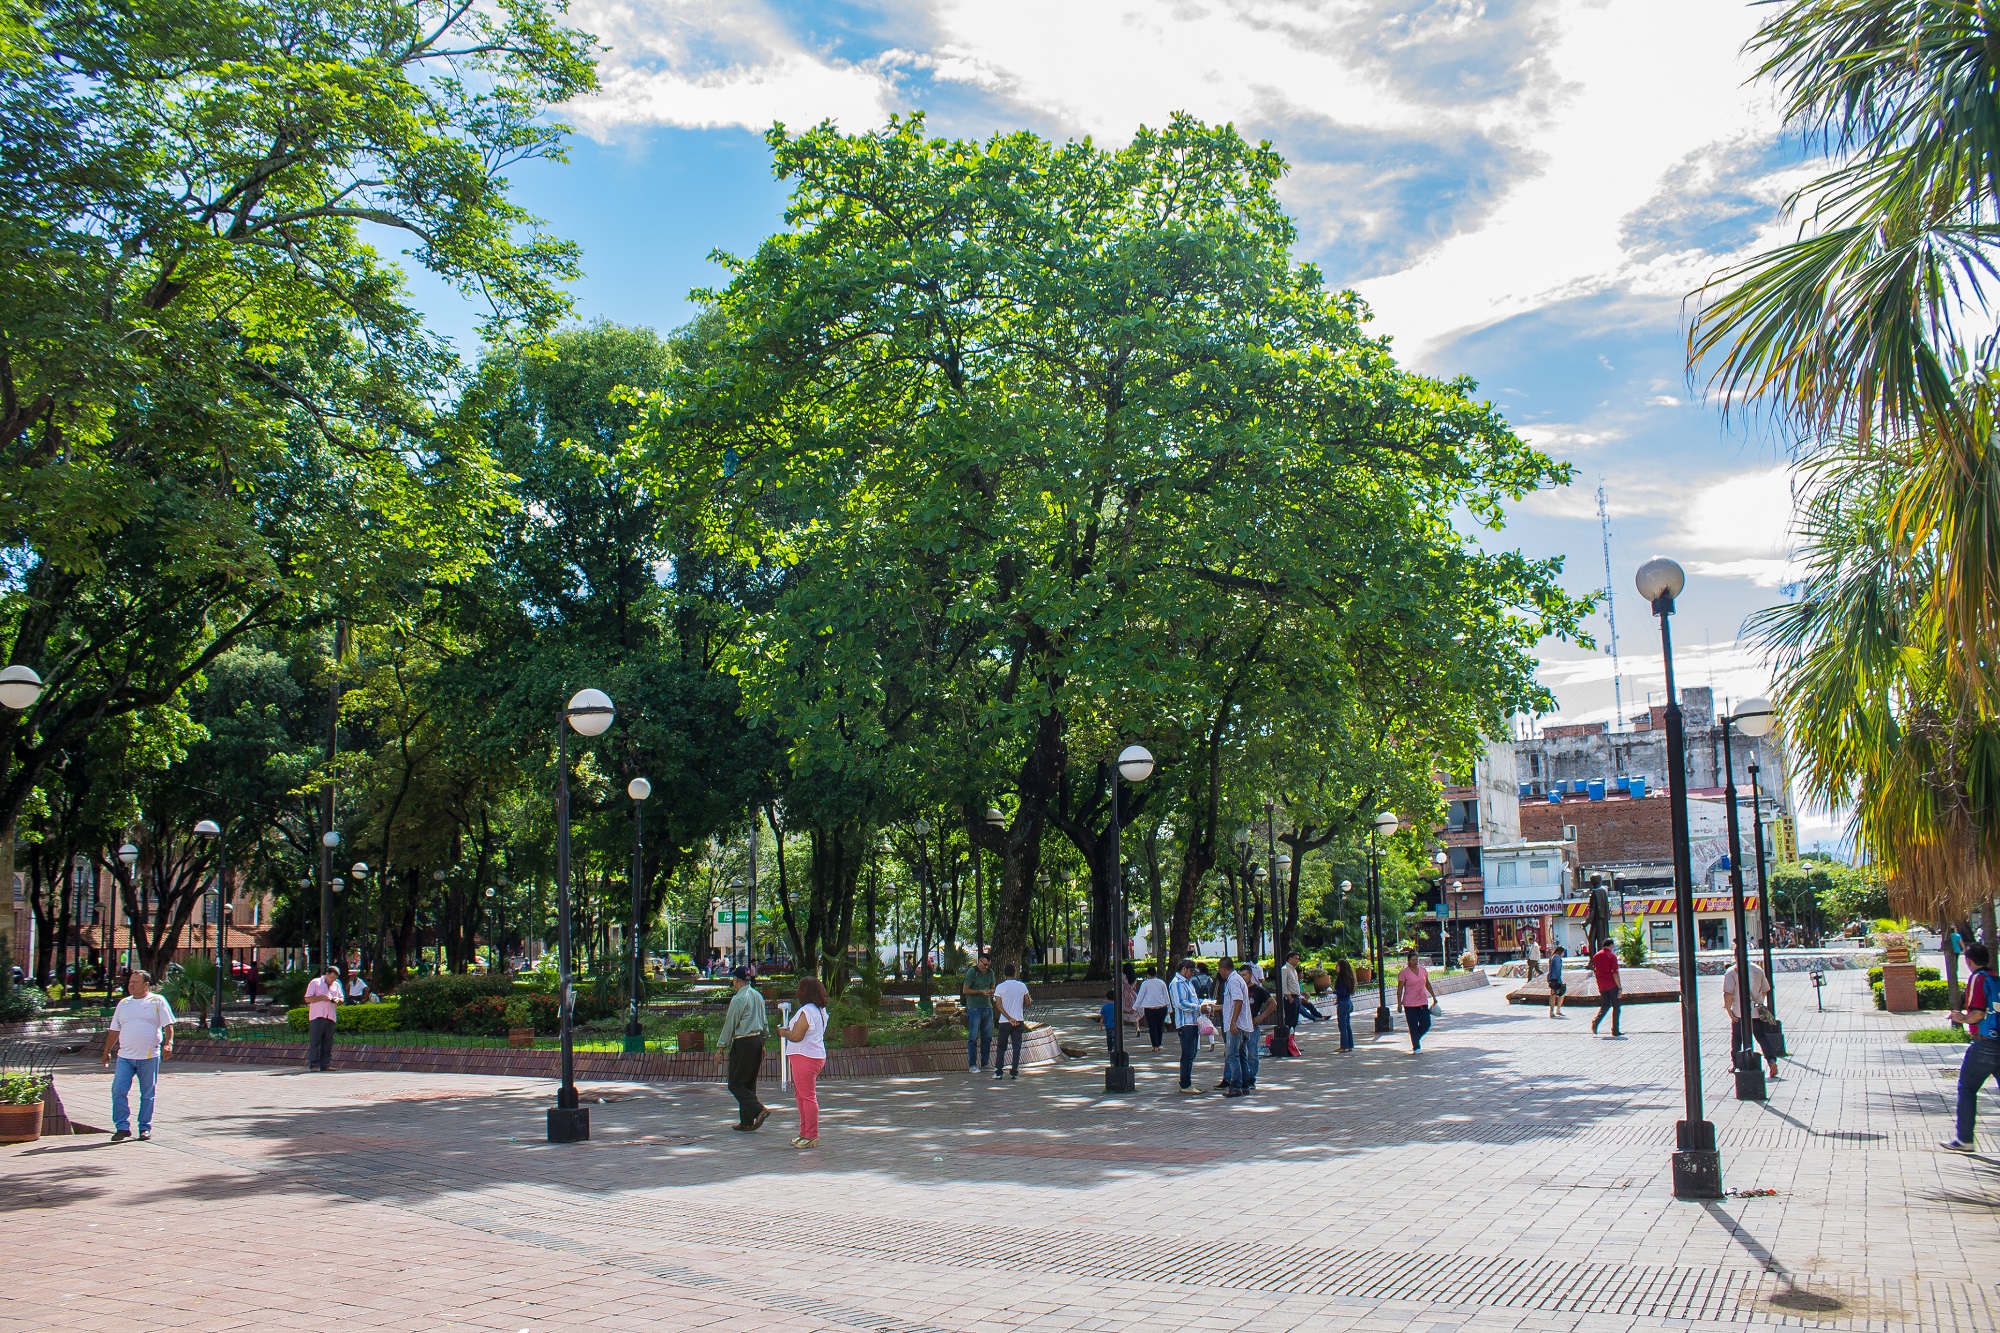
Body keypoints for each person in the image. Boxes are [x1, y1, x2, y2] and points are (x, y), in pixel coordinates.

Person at [102, 970, 175, 1142]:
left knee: (147, 1093)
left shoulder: (157, 1001)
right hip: (125, 1057)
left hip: (149, 1057)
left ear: (146, 985)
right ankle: (122, 1127)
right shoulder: (124, 1004)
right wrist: (106, 1052)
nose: (131, 984)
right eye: (130, 982)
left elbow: (168, 1025)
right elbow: (114, 1030)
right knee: (118, 1090)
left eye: (136, 982)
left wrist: (169, 1043)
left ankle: (144, 1128)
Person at [1943, 941, 1999, 1151]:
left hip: (1984, 1044)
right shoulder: (1996, 978)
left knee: (1967, 1089)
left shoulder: (1977, 979)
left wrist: (1961, 1018)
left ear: (1969, 961)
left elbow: (1977, 1013)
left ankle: (1964, 1139)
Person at [715, 966, 770, 1131]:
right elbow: (764, 1022)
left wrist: (720, 1048)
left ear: (737, 980)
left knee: (736, 1084)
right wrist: (764, 1042)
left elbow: (730, 1024)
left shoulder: (738, 999)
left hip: (744, 1042)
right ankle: (746, 1121)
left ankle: (759, 1109)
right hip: (757, 1040)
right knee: (749, 1082)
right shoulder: (757, 996)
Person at [781, 977, 829, 1148]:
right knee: (801, 1095)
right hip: (814, 1055)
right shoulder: (820, 1011)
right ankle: (804, 1132)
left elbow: (796, 1036)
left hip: (804, 1056)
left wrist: (784, 1033)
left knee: (807, 1097)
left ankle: (811, 1135)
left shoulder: (806, 1011)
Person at [1722, 957, 1782, 1079]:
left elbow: (1728, 993)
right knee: (1761, 1037)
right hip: (1756, 1012)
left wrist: (1729, 1010)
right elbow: (1766, 989)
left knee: (1737, 1039)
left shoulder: (1732, 971)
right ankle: (1771, 1060)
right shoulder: (1758, 969)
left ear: (1734, 956)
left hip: (1739, 1012)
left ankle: (1736, 1064)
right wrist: (1758, 1002)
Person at [1218, 956, 1254, 1097]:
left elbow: (1238, 1001)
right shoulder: (1237, 979)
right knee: (1242, 1055)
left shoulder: (1233, 981)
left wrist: (1233, 1022)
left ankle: (1236, 1085)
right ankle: (1245, 1085)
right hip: (1243, 1024)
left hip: (1236, 1025)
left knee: (1232, 1055)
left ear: (1223, 969)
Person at [1169, 958, 1204, 1094]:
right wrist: (1199, 1007)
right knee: (1187, 1054)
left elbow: (1194, 999)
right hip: (1185, 1023)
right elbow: (1180, 1003)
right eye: (1191, 971)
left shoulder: (1188, 983)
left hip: (1193, 1022)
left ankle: (1187, 1082)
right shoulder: (1177, 983)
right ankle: (1185, 1084)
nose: (1192, 974)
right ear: (1184, 969)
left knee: (1192, 1053)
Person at [992, 963, 1031, 1078]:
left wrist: (1009, 1018)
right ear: (1015, 973)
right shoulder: (1022, 986)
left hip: (1004, 1021)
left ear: (1004, 973)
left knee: (1001, 1048)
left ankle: (998, 1072)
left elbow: (998, 1005)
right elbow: (1028, 1002)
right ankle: (1014, 1071)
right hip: (1019, 1020)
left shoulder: (1000, 987)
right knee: (1016, 1047)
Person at [303, 964, 343, 1071]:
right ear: (326, 974)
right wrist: (321, 998)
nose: (332, 980)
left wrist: (338, 1000)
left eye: (335, 978)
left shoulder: (336, 985)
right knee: (315, 1041)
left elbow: (341, 998)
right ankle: (314, 1065)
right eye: (331, 977)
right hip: (317, 1015)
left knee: (328, 1041)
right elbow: (307, 999)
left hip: (330, 1016)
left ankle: (326, 1064)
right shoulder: (315, 983)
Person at [961, 951, 997, 1071]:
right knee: (973, 1037)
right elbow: (965, 990)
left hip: (987, 1007)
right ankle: (972, 1064)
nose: (986, 967)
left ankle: (985, 1063)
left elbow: (993, 987)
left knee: (987, 1037)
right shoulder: (972, 972)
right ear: (979, 961)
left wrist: (990, 992)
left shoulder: (990, 973)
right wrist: (979, 992)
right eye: (984, 964)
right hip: (974, 1008)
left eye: (988, 965)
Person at [1397, 949, 1438, 1053]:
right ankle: (1416, 1046)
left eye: (1417, 959)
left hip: (1422, 1002)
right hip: (1409, 1003)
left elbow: (1427, 983)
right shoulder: (1404, 973)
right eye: (1413, 960)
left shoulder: (1423, 970)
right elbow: (1400, 988)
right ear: (1409, 961)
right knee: (1413, 1025)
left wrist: (1433, 996)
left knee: (1426, 1023)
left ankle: (1415, 1038)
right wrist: (1399, 1003)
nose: (1415, 962)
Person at [1590, 939, 1622, 1037]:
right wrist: (1620, 988)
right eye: (1612, 947)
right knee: (1616, 1007)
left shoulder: (1596, 956)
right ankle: (1615, 1030)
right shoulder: (1612, 956)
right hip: (1612, 984)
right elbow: (1615, 973)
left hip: (1601, 985)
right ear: (1611, 946)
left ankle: (1596, 1020)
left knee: (1605, 1005)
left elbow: (1595, 969)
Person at [1134, 967, 1170, 1049]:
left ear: (1147, 974)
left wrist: (1135, 1007)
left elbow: (1140, 996)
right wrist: (1169, 1008)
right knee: (1160, 1026)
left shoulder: (1145, 984)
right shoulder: (1161, 982)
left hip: (1150, 1009)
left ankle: (1155, 1046)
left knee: (1152, 1027)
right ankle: (1159, 1044)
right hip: (1162, 1008)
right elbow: (1166, 996)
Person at [1334, 959, 1356, 1052]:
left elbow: (1342, 992)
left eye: (1337, 966)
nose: (1336, 968)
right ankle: (1350, 1045)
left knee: (1342, 1025)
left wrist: (1333, 992)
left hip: (1343, 1003)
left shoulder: (1341, 978)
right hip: (1348, 1002)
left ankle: (1343, 1046)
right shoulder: (1349, 977)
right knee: (1348, 1025)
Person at [1546, 945, 1568, 1019]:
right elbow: (1557, 969)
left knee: (1553, 995)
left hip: (1551, 978)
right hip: (1555, 978)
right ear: (1560, 952)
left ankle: (1552, 1011)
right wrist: (1559, 980)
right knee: (1560, 994)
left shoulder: (1552, 957)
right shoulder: (1557, 958)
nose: (1563, 954)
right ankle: (1556, 1010)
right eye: (1563, 953)